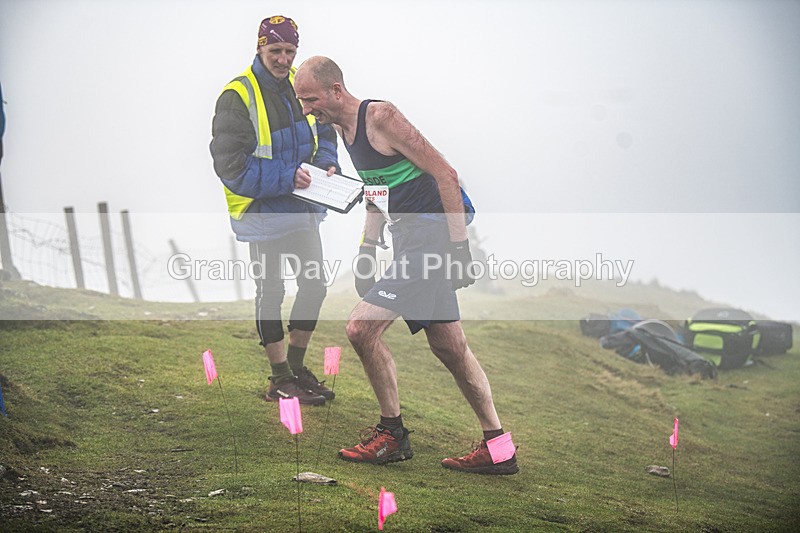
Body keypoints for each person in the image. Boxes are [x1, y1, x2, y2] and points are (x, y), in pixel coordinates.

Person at [293, 56, 519, 474]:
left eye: (310, 100)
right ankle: (498, 449)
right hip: (408, 239)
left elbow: (446, 176)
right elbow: (379, 187)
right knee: (451, 348)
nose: (307, 109)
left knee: (361, 328)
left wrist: (458, 249)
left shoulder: (381, 116)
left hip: (432, 237)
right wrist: (368, 247)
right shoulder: (343, 129)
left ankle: (391, 435)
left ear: (336, 91)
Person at [210, 17, 340, 406]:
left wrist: (327, 163)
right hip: (262, 210)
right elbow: (231, 167)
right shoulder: (237, 95)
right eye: (275, 51)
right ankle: (280, 378)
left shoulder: (303, 82)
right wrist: (289, 177)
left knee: (315, 285)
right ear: (259, 48)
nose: (283, 60)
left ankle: (297, 370)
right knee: (271, 291)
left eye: (289, 52)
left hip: (302, 206)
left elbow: (326, 130)